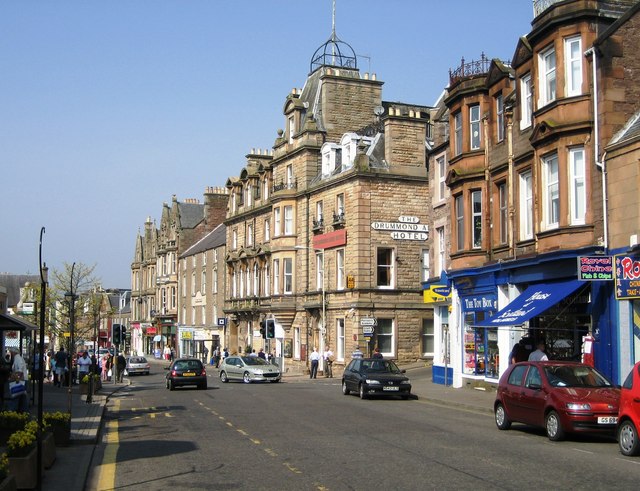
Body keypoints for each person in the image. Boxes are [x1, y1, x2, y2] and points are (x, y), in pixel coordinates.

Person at [8, 347, 29, 413]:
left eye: (11, 351)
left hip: (20, 380)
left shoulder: (17, 358)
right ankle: (24, 412)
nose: (10, 353)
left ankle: (11, 411)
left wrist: (16, 377)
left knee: (15, 396)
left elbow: (19, 369)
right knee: (22, 397)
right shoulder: (18, 358)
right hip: (23, 380)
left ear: (14, 352)